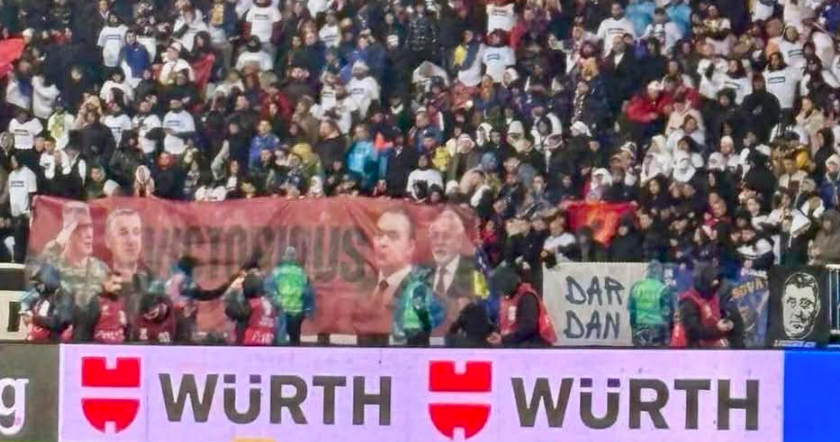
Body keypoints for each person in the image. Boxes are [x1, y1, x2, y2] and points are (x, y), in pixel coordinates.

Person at [40, 202, 110, 306]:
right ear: (67, 232)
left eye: (90, 226)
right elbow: (39, 282)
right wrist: (57, 244)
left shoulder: (101, 269)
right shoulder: (54, 268)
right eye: (81, 227)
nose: (89, 234)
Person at [671, 265, 740, 348]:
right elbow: (693, 331)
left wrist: (728, 321)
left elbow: (718, 315)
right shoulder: (689, 301)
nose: (715, 284)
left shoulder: (713, 296)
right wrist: (718, 329)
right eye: (712, 282)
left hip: (712, 343)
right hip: (691, 347)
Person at [492, 265, 552, 347]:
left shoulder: (527, 297)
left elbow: (528, 329)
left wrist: (504, 340)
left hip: (532, 345)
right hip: (513, 342)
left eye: (501, 288)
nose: (500, 292)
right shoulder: (507, 298)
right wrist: (496, 333)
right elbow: (502, 321)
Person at [269, 246, 315, 345]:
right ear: (295, 258)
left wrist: (275, 303)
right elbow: (308, 292)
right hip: (297, 311)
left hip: (282, 310)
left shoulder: (277, 272)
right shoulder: (301, 273)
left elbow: (269, 289)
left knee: (280, 339)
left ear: (284, 257)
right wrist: (309, 310)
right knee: (295, 339)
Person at [21, 264, 74, 342]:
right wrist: (29, 314)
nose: (37, 288)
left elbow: (58, 323)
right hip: (40, 342)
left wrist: (34, 319)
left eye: (39, 284)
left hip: (56, 344)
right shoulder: (44, 297)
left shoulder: (63, 296)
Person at [225, 271, 279, 346]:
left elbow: (230, 311)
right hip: (267, 343)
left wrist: (233, 292)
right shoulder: (270, 305)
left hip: (249, 344)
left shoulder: (252, 305)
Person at [628, 261, 672, 346]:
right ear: (660, 273)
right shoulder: (664, 289)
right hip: (658, 333)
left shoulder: (636, 287)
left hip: (640, 331)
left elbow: (632, 312)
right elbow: (667, 315)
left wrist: (634, 332)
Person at [76, 272, 129, 343]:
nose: (118, 287)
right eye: (114, 283)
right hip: (100, 345)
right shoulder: (97, 301)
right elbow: (87, 328)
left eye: (120, 284)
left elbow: (126, 326)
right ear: (105, 283)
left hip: (120, 345)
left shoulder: (122, 302)